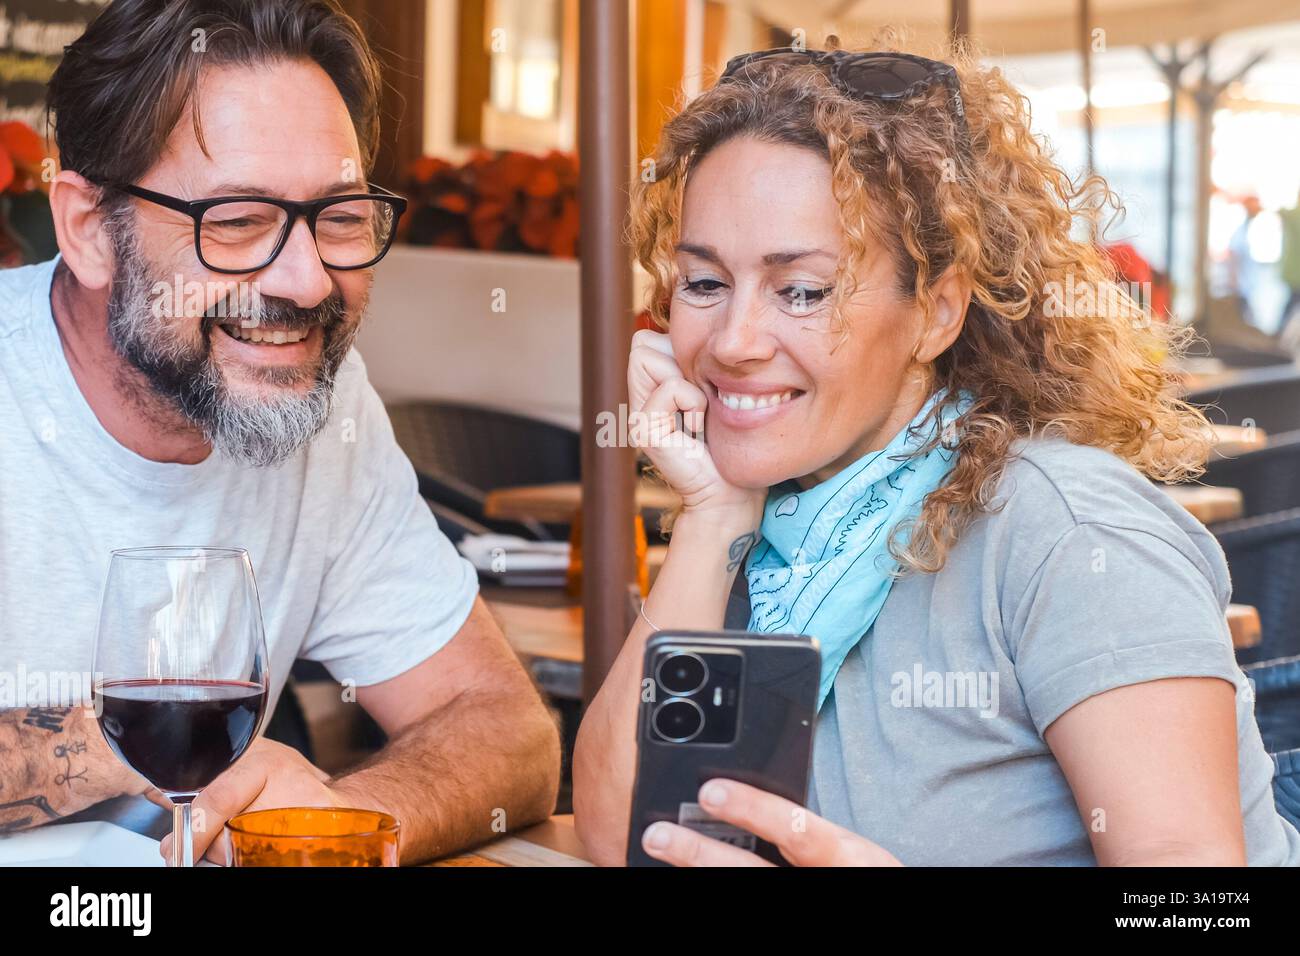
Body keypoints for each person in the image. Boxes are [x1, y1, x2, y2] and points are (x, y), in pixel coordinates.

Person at [572, 44, 1300, 866]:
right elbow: (618, 833)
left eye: (802, 290)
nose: (733, 342)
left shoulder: (1067, 536)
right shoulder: (774, 523)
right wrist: (710, 519)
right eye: (703, 283)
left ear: (937, 312)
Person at [0, 0, 559, 863]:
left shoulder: (319, 407)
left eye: (338, 219)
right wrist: (116, 748)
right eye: (235, 222)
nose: (304, 281)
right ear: (87, 230)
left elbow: (506, 728)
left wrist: (329, 826)